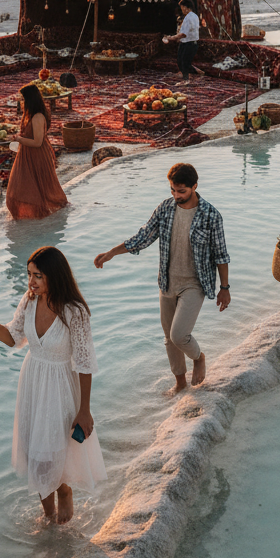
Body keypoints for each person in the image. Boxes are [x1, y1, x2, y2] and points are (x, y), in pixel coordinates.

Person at [0, 246, 105, 524]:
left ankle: (64, 491)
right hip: (32, 382)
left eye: (38, 276)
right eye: (29, 274)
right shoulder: (29, 301)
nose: (31, 281)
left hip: (61, 385)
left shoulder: (74, 311)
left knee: (54, 451)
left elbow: (85, 363)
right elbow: (13, 338)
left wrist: (85, 410)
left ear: (54, 275)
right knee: (34, 451)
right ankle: (48, 517)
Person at [94, 163, 229, 390]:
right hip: (167, 283)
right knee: (169, 339)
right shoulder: (165, 209)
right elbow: (143, 236)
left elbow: (221, 254)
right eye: (173, 191)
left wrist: (224, 288)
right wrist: (112, 253)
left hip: (194, 284)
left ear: (195, 186)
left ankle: (198, 358)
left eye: (182, 191)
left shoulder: (210, 215)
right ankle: (180, 384)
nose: (176, 196)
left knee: (179, 335)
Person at [6, 85, 68, 220]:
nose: (21, 102)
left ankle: (37, 213)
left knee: (39, 187)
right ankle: (27, 213)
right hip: (27, 154)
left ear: (29, 100)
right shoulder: (30, 115)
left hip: (37, 154)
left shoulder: (38, 117)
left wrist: (18, 139)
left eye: (23, 99)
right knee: (22, 185)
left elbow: (37, 142)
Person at [163, 0, 200, 86]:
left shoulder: (188, 18)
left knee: (183, 62)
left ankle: (186, 80)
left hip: (188, 43)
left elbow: (183, 34)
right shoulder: (194, 16)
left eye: (182, 7)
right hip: (191, 42)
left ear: (185, 7)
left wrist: (171, 38)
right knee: (182, 61)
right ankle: (199, 72)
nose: (182, 10)